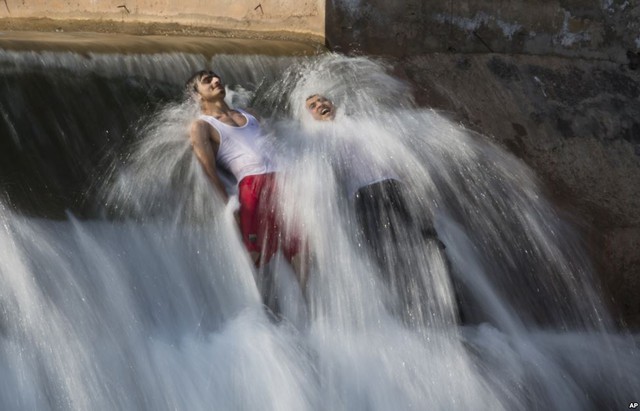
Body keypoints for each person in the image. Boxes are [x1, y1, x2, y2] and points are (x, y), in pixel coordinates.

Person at [186, 70, 308, 291]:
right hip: (252, 185)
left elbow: (275, 147)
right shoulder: (202, 126)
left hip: (284, 180)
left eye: (217, 77)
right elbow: (208, 171)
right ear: (197, 95)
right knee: (256, 254)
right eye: (207, 81)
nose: (217, 80)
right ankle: (267, 314)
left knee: (299, 248)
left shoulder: (250, 114)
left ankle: (310, 310)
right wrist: (228, 206)